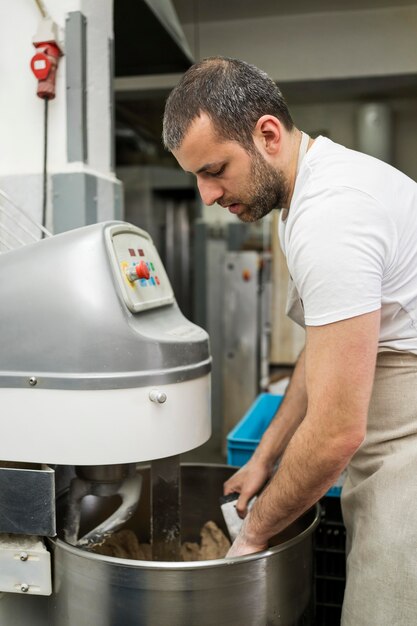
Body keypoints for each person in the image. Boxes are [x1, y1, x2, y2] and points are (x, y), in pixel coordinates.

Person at [162, 56, 417, 625]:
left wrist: (253, 535)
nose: (206, 195)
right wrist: (265, 457)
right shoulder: (304, 194)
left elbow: (334, 433)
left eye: (215, 169)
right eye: (196, 177)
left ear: (267, 134)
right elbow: (323, 351)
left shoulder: (332, 215)